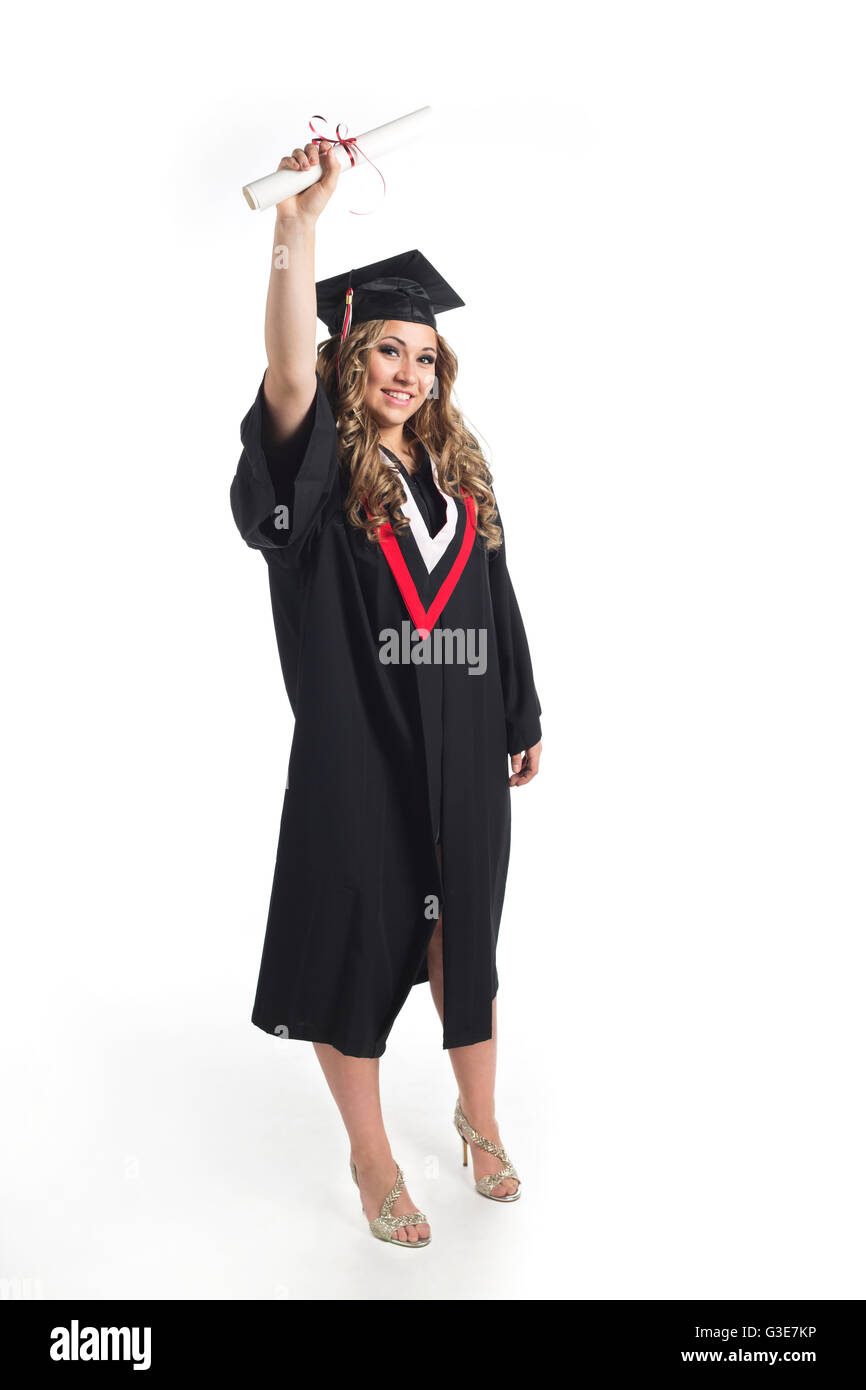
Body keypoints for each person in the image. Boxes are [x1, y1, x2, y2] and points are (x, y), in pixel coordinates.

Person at [230, 137, 543, 1247]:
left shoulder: (460, 472)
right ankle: (370, 1158)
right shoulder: (314, 468)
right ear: (350, 358)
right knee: (356, 937)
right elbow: (283, 375)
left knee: (468, 938)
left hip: (462, 744)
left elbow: (495, 600)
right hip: (356, 747)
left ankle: (480, 1118)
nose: (408, 371)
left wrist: (518, 712)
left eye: (425, 355)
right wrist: (297, 225)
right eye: (385, 351)